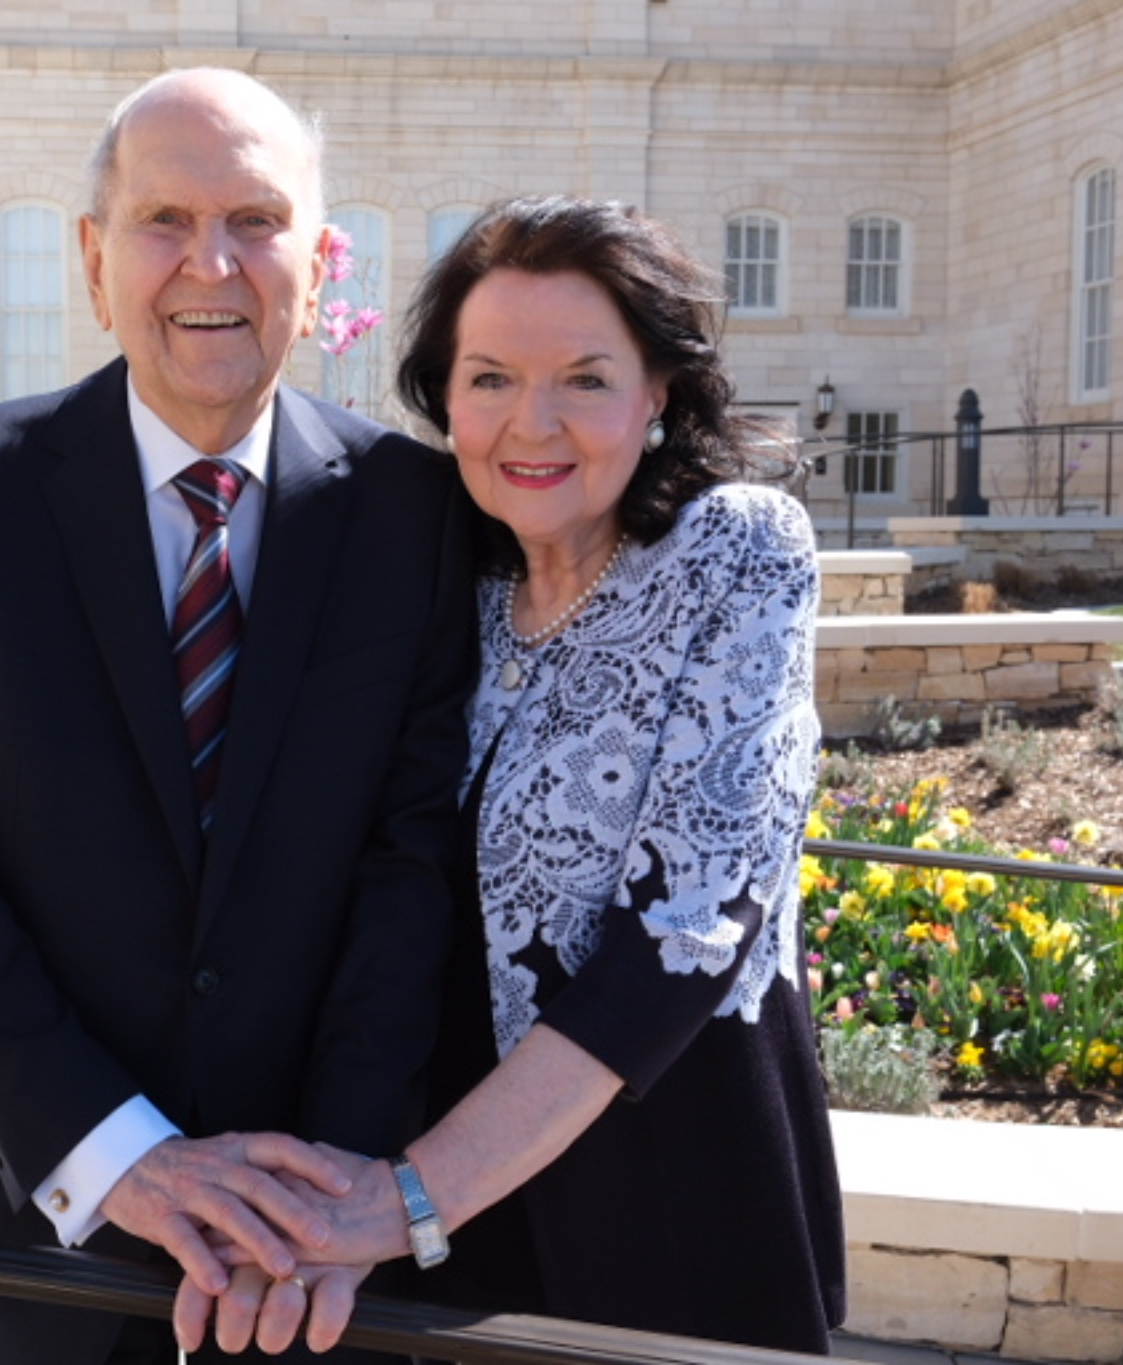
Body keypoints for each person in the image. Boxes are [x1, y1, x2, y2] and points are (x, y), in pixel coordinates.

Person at [0, 68, 476, 1364]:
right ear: (94, 259)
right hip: (36, 1239)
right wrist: (115, 1156)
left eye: (256, 220)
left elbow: (409, 864)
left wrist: (320, 1198)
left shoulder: (416, 518)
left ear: (318, 255)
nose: (214, 262)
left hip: (314, 1270)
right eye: (164, 221)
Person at [178, 196, 847, 1357]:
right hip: (441, 1215)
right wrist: (316, 1195)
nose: (528, 423)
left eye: (583, 379)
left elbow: (687, 933)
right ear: (445, 400)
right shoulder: (445, 580)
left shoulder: (734, 551)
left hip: (665, 1198)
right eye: (487, 378)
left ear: (659, 398)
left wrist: (405, 1200)